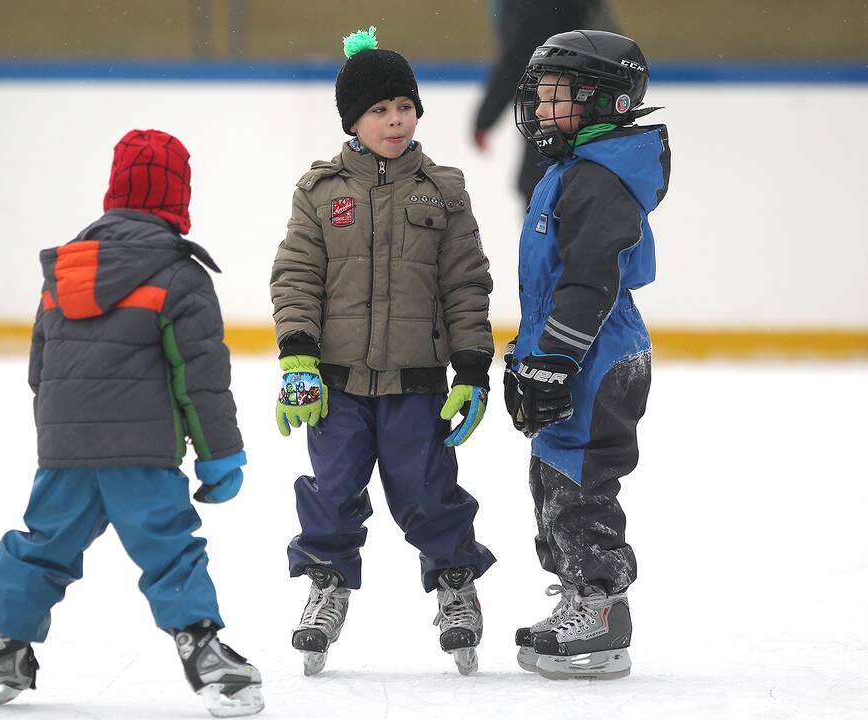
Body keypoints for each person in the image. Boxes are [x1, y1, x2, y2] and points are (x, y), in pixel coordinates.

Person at [0, 130, 264, 717]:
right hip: (139, 449)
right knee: (169, 550)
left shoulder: (66, 269)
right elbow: (200, 377)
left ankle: (5, 650)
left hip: (66, 448)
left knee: (44, 545)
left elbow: (40, 369)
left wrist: (64, 433)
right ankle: (203, 652)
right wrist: (219, 454)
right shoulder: (181, 275)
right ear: (179, 200)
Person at [270, 26, 496, 677]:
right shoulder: (319, 193)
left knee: (426, 491)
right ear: (353, 121)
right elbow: (295, 278)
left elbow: (466, 284)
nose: (395, 121)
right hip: (336, 383)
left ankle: (455, 585)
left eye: (404, 107)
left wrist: (473, 369)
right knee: (332, 489)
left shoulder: (444, 191)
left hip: (417, 382)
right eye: (380, 110)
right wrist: (298, 359)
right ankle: (327, 585)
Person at [504, 29, 670, 680]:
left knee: (581, 482)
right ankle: (578, 594)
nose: (542, 111)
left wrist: (555, 360)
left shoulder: (600, 179)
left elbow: (589, 280)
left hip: (598, 354)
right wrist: (527, 355)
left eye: (556, 98)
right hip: (575, 347)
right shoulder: (574, 169)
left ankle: (602, 611)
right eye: (540, 97)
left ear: (608, 104)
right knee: (552, 477)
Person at [473, 0, 619, 204]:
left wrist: (486, 117)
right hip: (589, 103)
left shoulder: (536, 7)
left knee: (547, 186)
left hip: (563, 105)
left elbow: (518, 54)